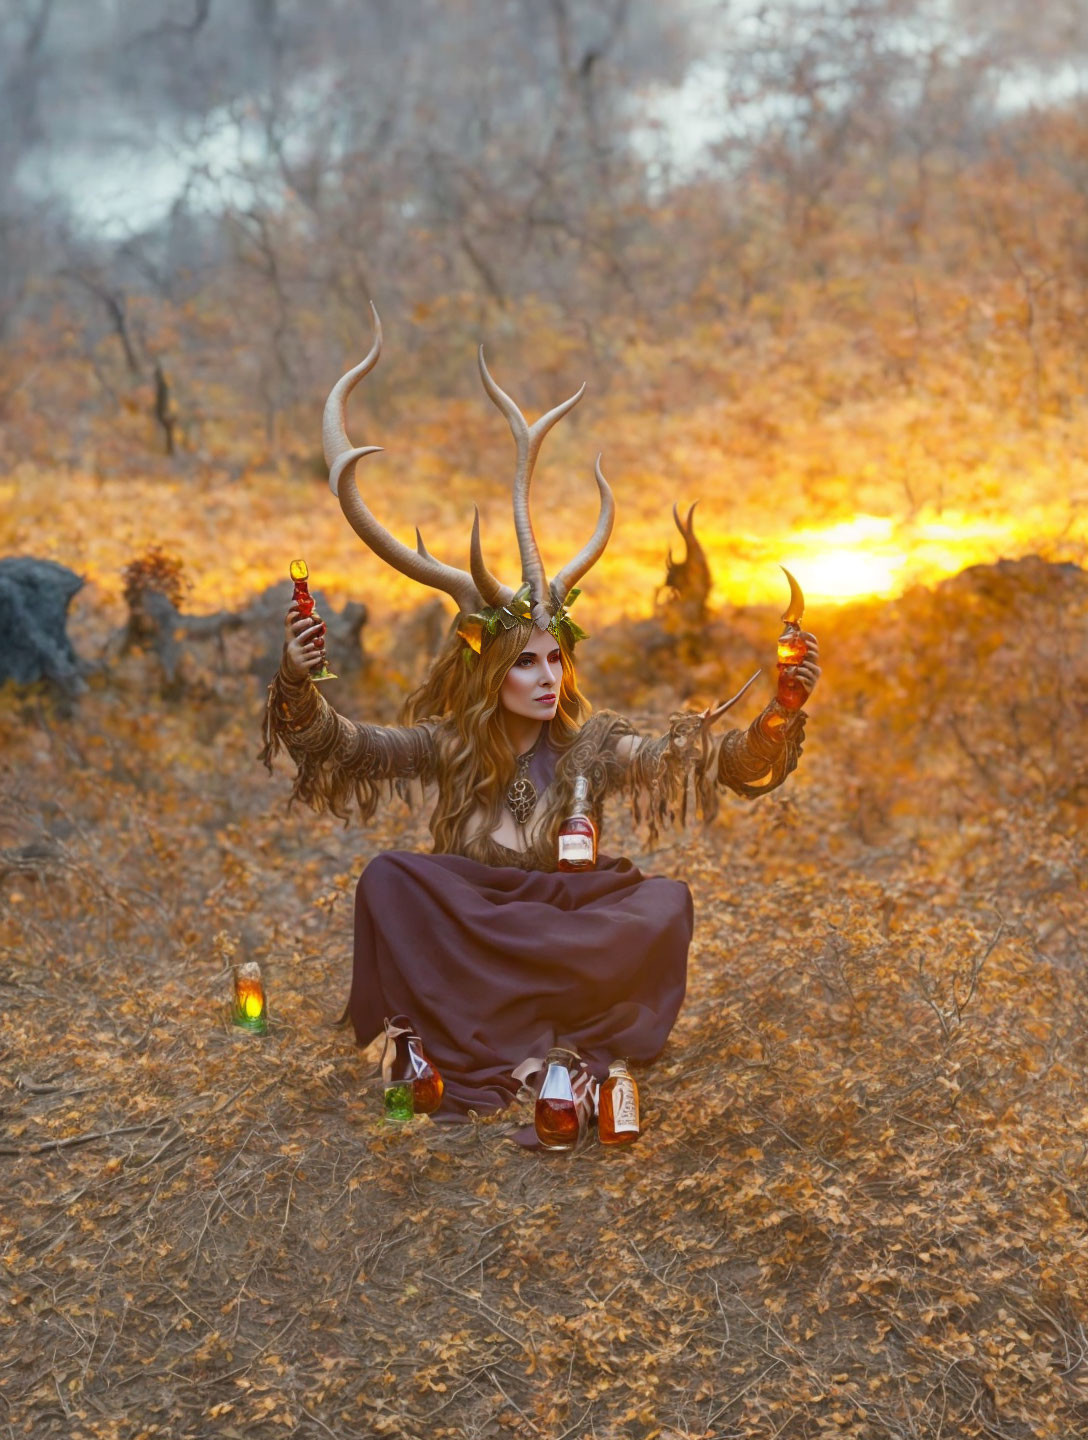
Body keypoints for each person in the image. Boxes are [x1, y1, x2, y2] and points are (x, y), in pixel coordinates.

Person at [260, 308, 820, 1132]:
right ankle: (490, 1040)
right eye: (525, 661)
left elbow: (709, 762)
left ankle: (550, 1039)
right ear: (491, 673)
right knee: (389, 877)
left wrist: (779, 715)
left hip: (562, 930)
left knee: (664, 901)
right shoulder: (448, 746)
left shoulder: (591, 746)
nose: (546, 676)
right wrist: (298, 680)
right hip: (480, 929)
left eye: (555, 659)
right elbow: (335, 747)